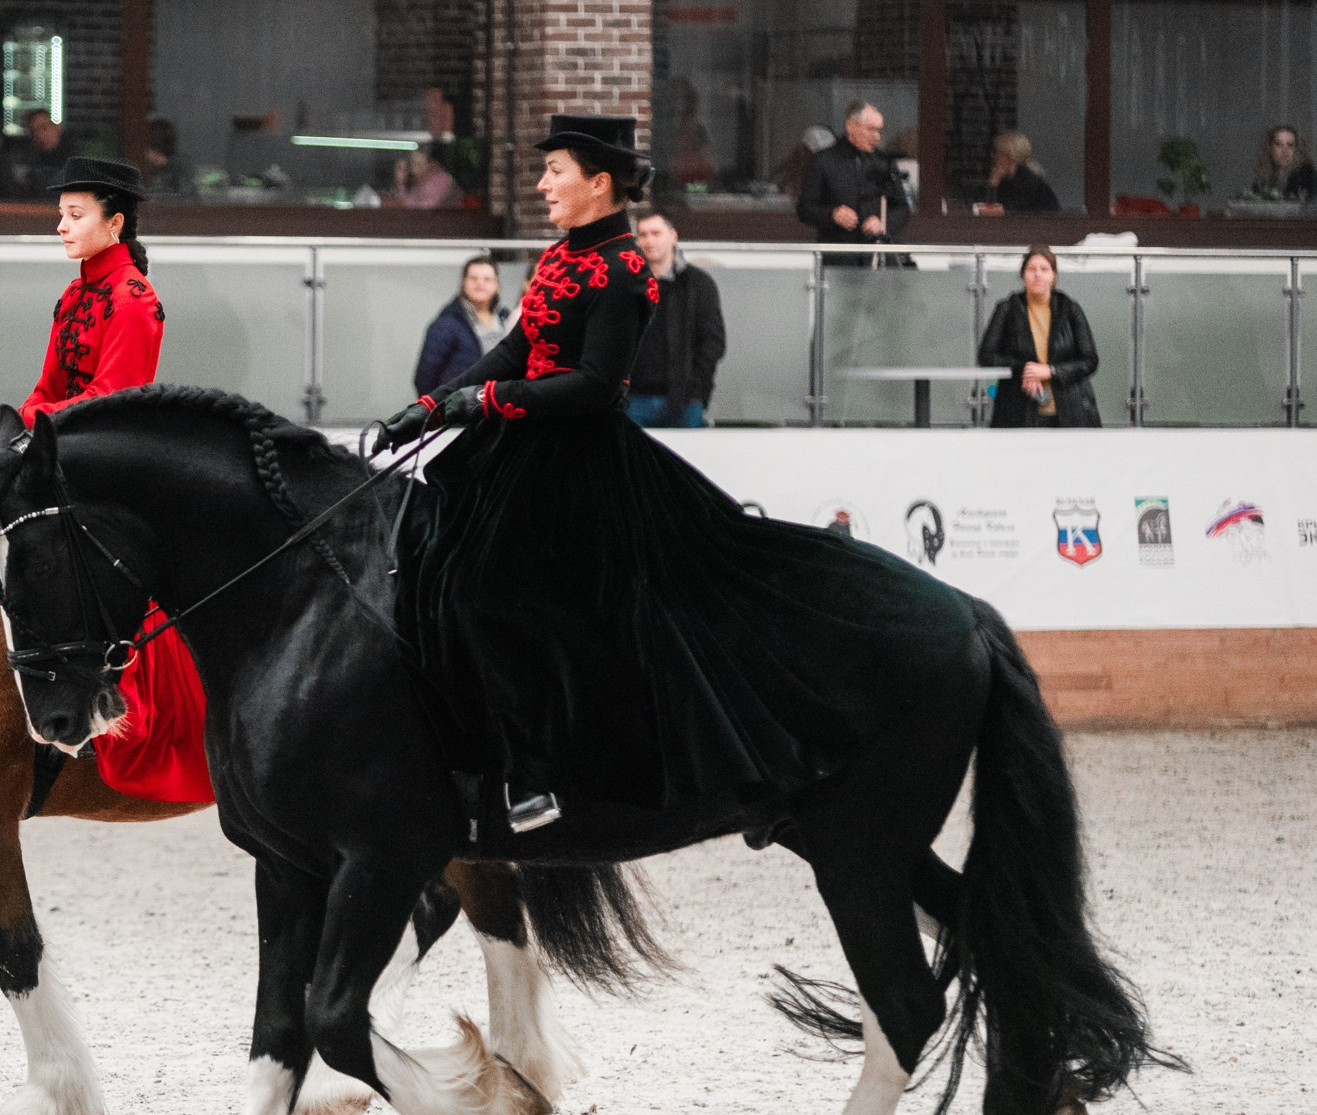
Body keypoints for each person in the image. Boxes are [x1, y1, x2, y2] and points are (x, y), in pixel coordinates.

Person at [379, 112, 976, 835]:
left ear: (598, 183)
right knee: (435, 572)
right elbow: (513, 352)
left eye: (554, 172)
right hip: (514, 445)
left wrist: (490, 402)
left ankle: (536, 772)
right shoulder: (558, 258)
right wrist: (434, 407)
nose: (541, 184)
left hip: (576, 459)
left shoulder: (626, 272)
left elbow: (597, 386)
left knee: (515, 596)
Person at [0, 157, 211, 805]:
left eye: (74, 215)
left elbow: (112, 397)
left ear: (115, 222)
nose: (61, 226)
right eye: (61, 214)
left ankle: (114, 694)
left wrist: (36, 430)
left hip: (108, 458)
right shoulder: (75, 295)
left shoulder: (136, 299)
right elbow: (49, 388)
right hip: (62, 449)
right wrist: (10, 433)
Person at [977, 244, 1100, 428]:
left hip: (1070, 411)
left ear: (1054, 276)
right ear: (1022, 275)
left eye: (1044, 269)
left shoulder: (1069, 308)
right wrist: (1025, 369)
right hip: (1017, 411)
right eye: (1031, 269)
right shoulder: (1007, 309)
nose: (1038, 275)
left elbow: (1090, 360)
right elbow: (985, 356)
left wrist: (1051, 371)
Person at [626, 208, 725, 429]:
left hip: (684, 399)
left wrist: (696, 390)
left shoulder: (698, 284)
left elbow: (713, 341)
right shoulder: (628, 284)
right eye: (643, 235)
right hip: (633, 398)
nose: (649, 240)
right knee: (634, 463)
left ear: (673, 236)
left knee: (682, 462)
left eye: (656, 233)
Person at [796, 101, 909, 262]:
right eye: (871, 129)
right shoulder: (823, 161)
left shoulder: (885, 162)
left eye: (879, 130)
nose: (877, 137)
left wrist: (883, 223)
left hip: (876, 257)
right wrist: (832, 215)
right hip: (838, 257)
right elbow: (805, 209)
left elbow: (902, 207)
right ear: (851, 126)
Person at [413, 255, 513, 396]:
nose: (480, 284)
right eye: (474, 278)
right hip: (458, 409)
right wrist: (436, 412)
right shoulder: (447, 323)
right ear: (463, 283)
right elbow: (425, 377)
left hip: (499, 406)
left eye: (487, 279)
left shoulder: (506, 319)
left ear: (496, 284)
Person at [976, 131, 1059, 215]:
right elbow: (983, 208)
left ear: (1009, 156)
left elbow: (1011, 209)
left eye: (997, 153)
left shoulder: (1029, 182)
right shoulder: (1005, 182)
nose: (994, 157)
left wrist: (993, 185)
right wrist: (993, 184)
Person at [1250, 125, 1317, 201]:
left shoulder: (1307, 176)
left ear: (1297, 149)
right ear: (1270, 148)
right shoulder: (1263, 178)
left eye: (1290, 145)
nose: (1285, 151)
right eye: (1278, 145)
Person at [390, 148, 461, 208]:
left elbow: (427, 207)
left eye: (418, 164)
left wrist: (400, 203)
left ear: (433, 165)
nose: (413, 168)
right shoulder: (417, 179)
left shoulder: (442, 179)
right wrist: (401, 181)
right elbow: (405, 199)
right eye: (412, 163)